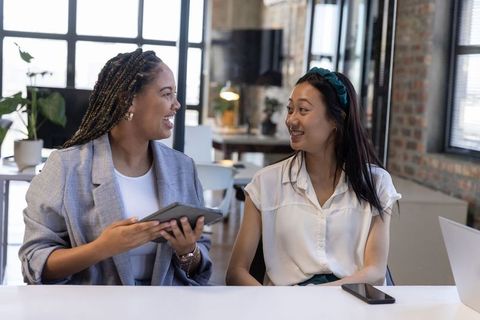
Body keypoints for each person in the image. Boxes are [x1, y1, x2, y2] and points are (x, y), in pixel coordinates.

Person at [19, 48, 212, 285]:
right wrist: (102, 248)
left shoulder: (182, 168)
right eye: (166, 94)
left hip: (165, 309)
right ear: (128, 100)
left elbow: (199, 265)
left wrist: (187, 251)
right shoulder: (67, 167)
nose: (177, 105)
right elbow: (34, 262)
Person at [226, 67, 401, 286]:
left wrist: (317, 297)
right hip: (285, 309)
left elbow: (375, 271)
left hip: (352, 305)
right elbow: (236, 272)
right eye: (290, 110)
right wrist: (275, 306)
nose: (291, 120)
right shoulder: (265, 183)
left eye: (303, 110)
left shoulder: (376, 183)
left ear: (337, 119)